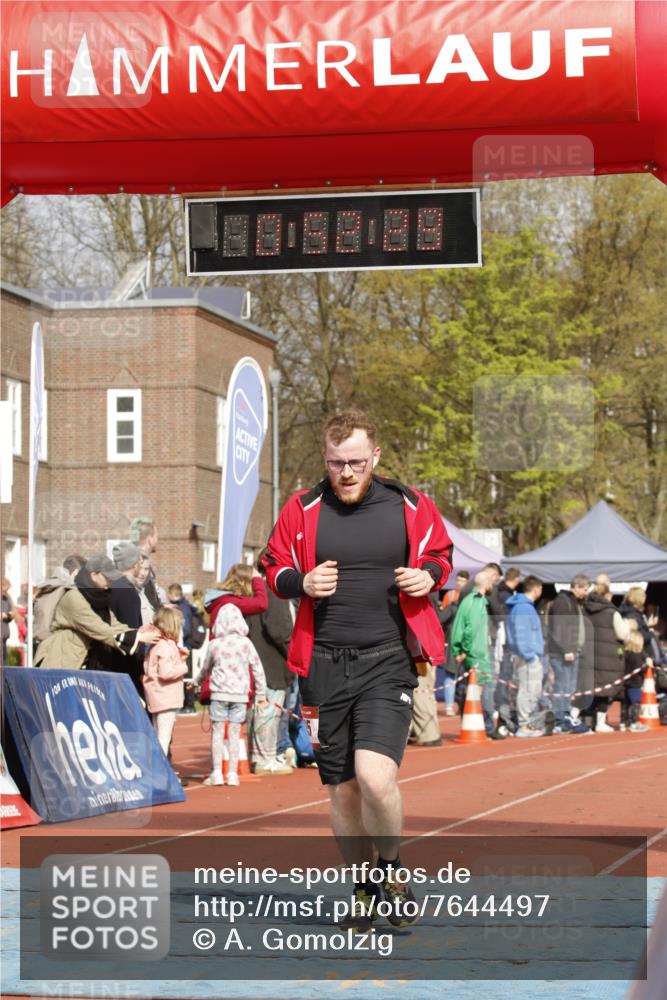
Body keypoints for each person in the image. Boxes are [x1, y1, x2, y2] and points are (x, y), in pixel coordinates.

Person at [262, 408, 452, 929]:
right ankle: (364, 886)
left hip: (387, 660)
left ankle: (391, 871)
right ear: (324, 459)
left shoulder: (409, 503)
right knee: (341, 788)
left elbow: (441, 553)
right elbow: (271, 566)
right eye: (335, 462)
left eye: (355, 462)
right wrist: (300, 583)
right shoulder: (303, 508)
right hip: (323, 664)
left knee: (374, 777)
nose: (345, 472)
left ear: (376, 457)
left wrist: (427, 576)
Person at [34, 554, 159, 669]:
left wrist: (138, 632)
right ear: (93, 575)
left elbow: (114, 624)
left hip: (82, 663)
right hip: (61, 662)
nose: (111, 583)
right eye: (108, 578)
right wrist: (138, 637)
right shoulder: (74, 598)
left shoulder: (99, 597)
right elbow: (99, 629)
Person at [196, 604, 268, 787]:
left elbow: (205, 669)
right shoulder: (246, 644)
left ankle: (217, 773)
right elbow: (258, 669)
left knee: (217, 735)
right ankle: (233, 774)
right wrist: (261, 693)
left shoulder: (214, 644)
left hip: (219, 694)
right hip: (240, 695)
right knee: (235, 735)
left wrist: (196, 682)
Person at [247, 550, 296, 775]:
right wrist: (294, 652)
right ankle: (264, 759)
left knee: (260, 712)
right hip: (272, 663)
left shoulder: (252, 590)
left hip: (257, 661)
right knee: (268, 713)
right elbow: (279, 629)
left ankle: (260, 756)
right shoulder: (274, 592)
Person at [449, 569, 496, 736]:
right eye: (492, 582)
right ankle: (475, 727)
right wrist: (462, 649)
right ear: (487, 584)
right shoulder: (473, 601)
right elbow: (466, 629)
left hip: (479, 652)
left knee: (477, 692)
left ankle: (478, 726)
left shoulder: (480, 601)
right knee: (473, 692)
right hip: (475, 654)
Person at [583, 582, 632, 732]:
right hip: (608, 656)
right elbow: (623, 634)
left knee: (587, 689)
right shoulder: (612, 612)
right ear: (606, 595)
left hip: (588, 654)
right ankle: (600, 722)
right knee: (605, 690)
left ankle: (583, 720)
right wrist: (628, 625)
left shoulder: (583, 609)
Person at [547, 575, 591, 734]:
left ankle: (564, 717)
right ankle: (560, 720)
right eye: (585, 589)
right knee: (562, 686)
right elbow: (560, 627)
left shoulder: (572, 602)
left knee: (568, 687)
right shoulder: (562, 602)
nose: (585, 593)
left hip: (573, 651)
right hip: (562, 653)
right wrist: (566, 649)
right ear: (577, 586)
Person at [142, 605, 188, 755]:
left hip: (156, 695)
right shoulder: (166, 646)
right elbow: (166, 673)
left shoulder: (156, 645)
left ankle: (157, 769)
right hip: (166, 697)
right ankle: (161, 771)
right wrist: (183, 666)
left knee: (158, 734)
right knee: (164, 737)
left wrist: (179, 658)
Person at [505, 575, 547, 738]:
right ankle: (524, 724)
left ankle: (525, 722)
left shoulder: (523, 607)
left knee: (530, 689)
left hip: (526, 654)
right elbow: (521, 634)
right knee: (528, 689)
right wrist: (529, 655)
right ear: (536, 588)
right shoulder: (524, 608)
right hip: (527, 656)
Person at [205, 562, 268, 635]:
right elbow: (262, 604)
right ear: (246, 583)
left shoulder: (223, 599)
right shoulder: (231, 602)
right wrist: (257, 579)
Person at [129, 516, 162, 611]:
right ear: (150, 539)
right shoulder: (137, 564)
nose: (157, 541)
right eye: (156, 537)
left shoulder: (136, 560)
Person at [620, 625, 649, 733]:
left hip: (625, 683)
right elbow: (640, 668)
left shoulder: (625, 654)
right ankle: (634, 723)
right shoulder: (636, 656)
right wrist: (646, 667)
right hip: (635, 683)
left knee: (625, 703)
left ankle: (623, 722)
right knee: (636, 702)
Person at [1, 577, 17, 665]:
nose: (5, 592)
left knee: (4, 663)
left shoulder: (6, 599)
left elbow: (13, 612)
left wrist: (10, 615)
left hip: (4, 637)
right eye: (4, 590)